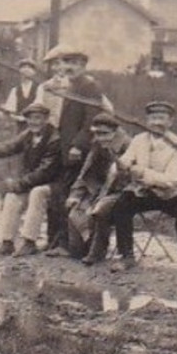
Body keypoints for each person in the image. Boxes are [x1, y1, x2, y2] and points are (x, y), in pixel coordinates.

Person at [96, 101, 177, 275]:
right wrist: (120, 164)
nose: (156, 123)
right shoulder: (139, 140)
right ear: (147, 121)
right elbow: (126, 160)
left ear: (170, 122)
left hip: (168, 193)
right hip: (143, 192)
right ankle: (126, 256)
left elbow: (171, 179)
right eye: (153, 118)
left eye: (161, 118)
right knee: (122, 204)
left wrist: (142, 172)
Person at [39, 45, 112, 257]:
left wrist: (77, 146)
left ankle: (69, 244)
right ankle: (56, 241)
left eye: (74, 64)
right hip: (65, 148)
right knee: (58, 193)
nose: (69, 68)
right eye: (66, 63)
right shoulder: (70, 86)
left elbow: (91, 121)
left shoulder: (90, 87)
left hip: (79, 151)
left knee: (69, 193)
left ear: (83, 66)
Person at [0, 101, 62, 256]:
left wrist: (20, 183)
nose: (34, 122)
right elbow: (10, 147)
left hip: (54, 184)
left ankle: (29, 242)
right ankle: (7, 242)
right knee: (12, 196)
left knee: (37, 193)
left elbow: (46, 171)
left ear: (46, 119)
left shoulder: (54, 139)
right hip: (32, 181)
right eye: (30, 118)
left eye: (38, 118)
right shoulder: (28, 134)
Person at [64, 112, 131, 264]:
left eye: (105, 134)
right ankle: (85, 244)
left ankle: (98, 251)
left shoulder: (128, 146)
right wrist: (75, 195)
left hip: (122, 192)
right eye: (97, 134)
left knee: (100, 209)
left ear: (115, 132)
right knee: (75, 214)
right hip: (98, 190)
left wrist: (118, 165)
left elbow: (131, 178)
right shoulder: (97, 146)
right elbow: (85, 174)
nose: (101, 138)